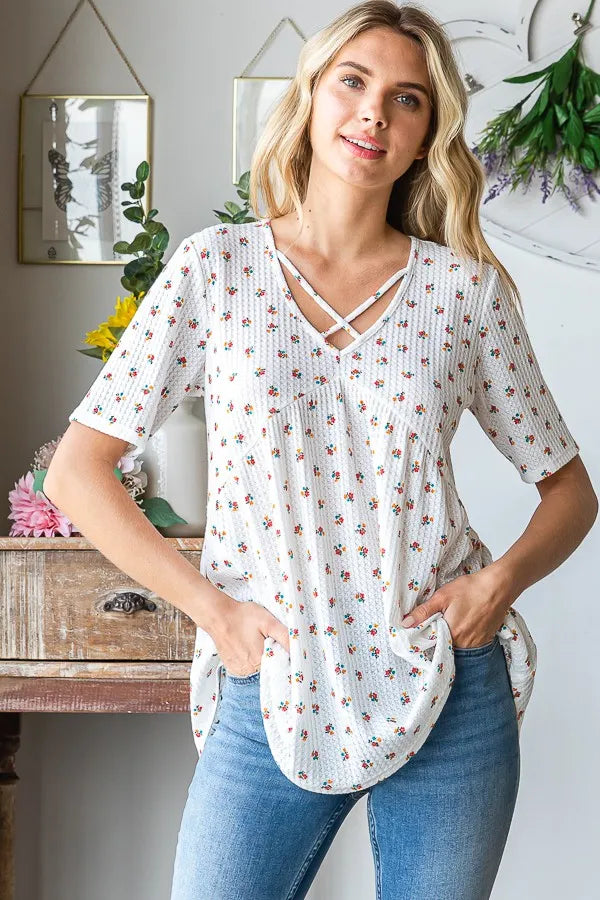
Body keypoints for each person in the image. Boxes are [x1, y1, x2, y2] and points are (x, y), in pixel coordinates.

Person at [45, 2, 597, 898]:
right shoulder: (214, 269)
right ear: (309, 98)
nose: (374, 111)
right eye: (353, 81)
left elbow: (570, 491)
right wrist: (215, 614)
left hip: (446, 678)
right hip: (275, 675)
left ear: (426, 136)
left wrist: (495, 587)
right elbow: (78, 473)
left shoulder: (464, 292)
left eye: (407, 98)